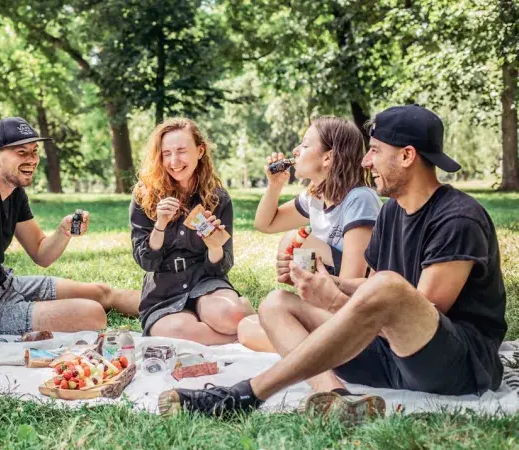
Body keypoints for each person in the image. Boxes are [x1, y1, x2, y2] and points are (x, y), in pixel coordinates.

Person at [158, 105, 507, 420]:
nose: (366, 162)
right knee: (276, 303)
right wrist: (330, 282)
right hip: (389, 360)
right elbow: (371, 290)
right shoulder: (391, 215)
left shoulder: (458, 218)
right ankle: (335, 398)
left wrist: (336, 300)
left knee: (387, 284)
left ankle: (246, 394)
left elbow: (421, 311)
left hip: (451, 368)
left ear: (407, 156)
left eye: (374, 151)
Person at [0, 117, 139, 334]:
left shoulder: (14, 192)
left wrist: (63, 231)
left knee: (101, 292)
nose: (31, 159)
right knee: (92, 314)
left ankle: (168, 307)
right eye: (21, 152)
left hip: (4, 285)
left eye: (34, 151)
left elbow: (42, 254)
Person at [239, 116, 382, 352]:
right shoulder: (315, 196)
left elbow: (350, 280)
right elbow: (266, 224)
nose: (295, 151)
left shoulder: (360, 199)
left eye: (305, 145)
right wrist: (275, 185)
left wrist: (301, 261)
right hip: (321, 304)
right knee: (246, 328)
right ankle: (310, 347)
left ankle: (313, 349)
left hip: (347, 310)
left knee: (299, 240)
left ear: (328, 157)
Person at [130, 118, 253, 345]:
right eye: (166, 153)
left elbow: (222, 266)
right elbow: (146, 262)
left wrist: (214, 246)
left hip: (205, 281)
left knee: (231, 315)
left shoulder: (218, 198)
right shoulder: (144, 196)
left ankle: (238, 323)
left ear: (200, 151)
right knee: (180, 331)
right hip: (163, 291)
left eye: (181, 151)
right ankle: (247, 336)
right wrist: (160, 224)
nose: (174, 161)